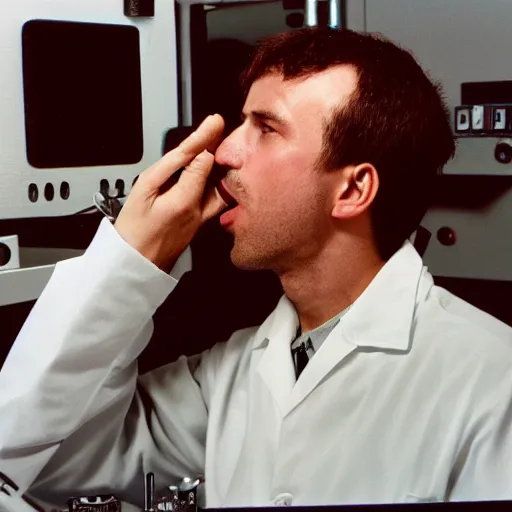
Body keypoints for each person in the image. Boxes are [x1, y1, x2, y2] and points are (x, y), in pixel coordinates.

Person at [1, 26, 512, 508]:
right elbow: (46, 460)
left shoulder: (492, 382)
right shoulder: (233, 371)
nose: (224, 150)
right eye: (243, 121)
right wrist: (130, 261)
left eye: (266, 128)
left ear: (353, 190)